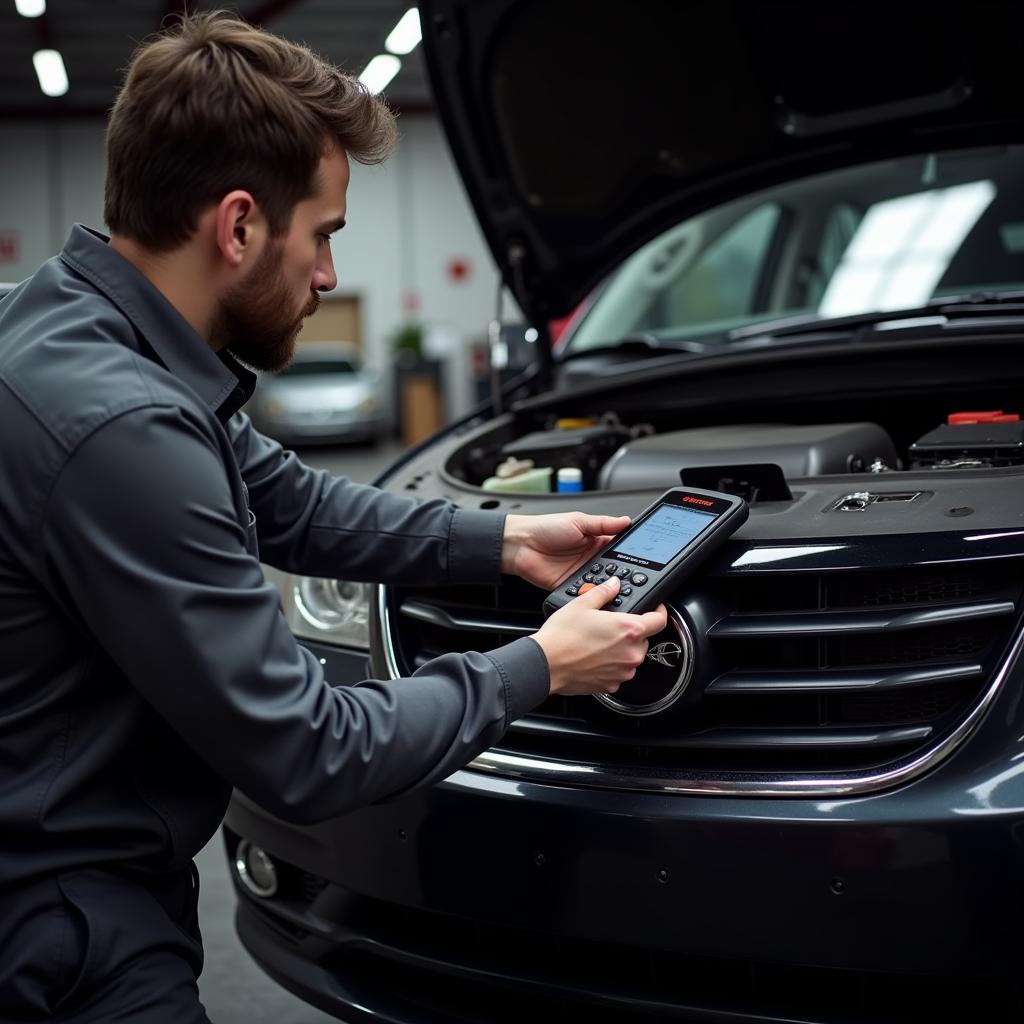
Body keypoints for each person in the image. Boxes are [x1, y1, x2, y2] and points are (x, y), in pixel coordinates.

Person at [0, 11, 668, 1023]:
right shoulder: (124, 427)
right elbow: (306, 750)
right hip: (58, 918)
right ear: (236, 226)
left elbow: (289, 502)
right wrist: (542, 664)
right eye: (323, 235)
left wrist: (500, 538)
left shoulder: (63, 322)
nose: (327, 276)